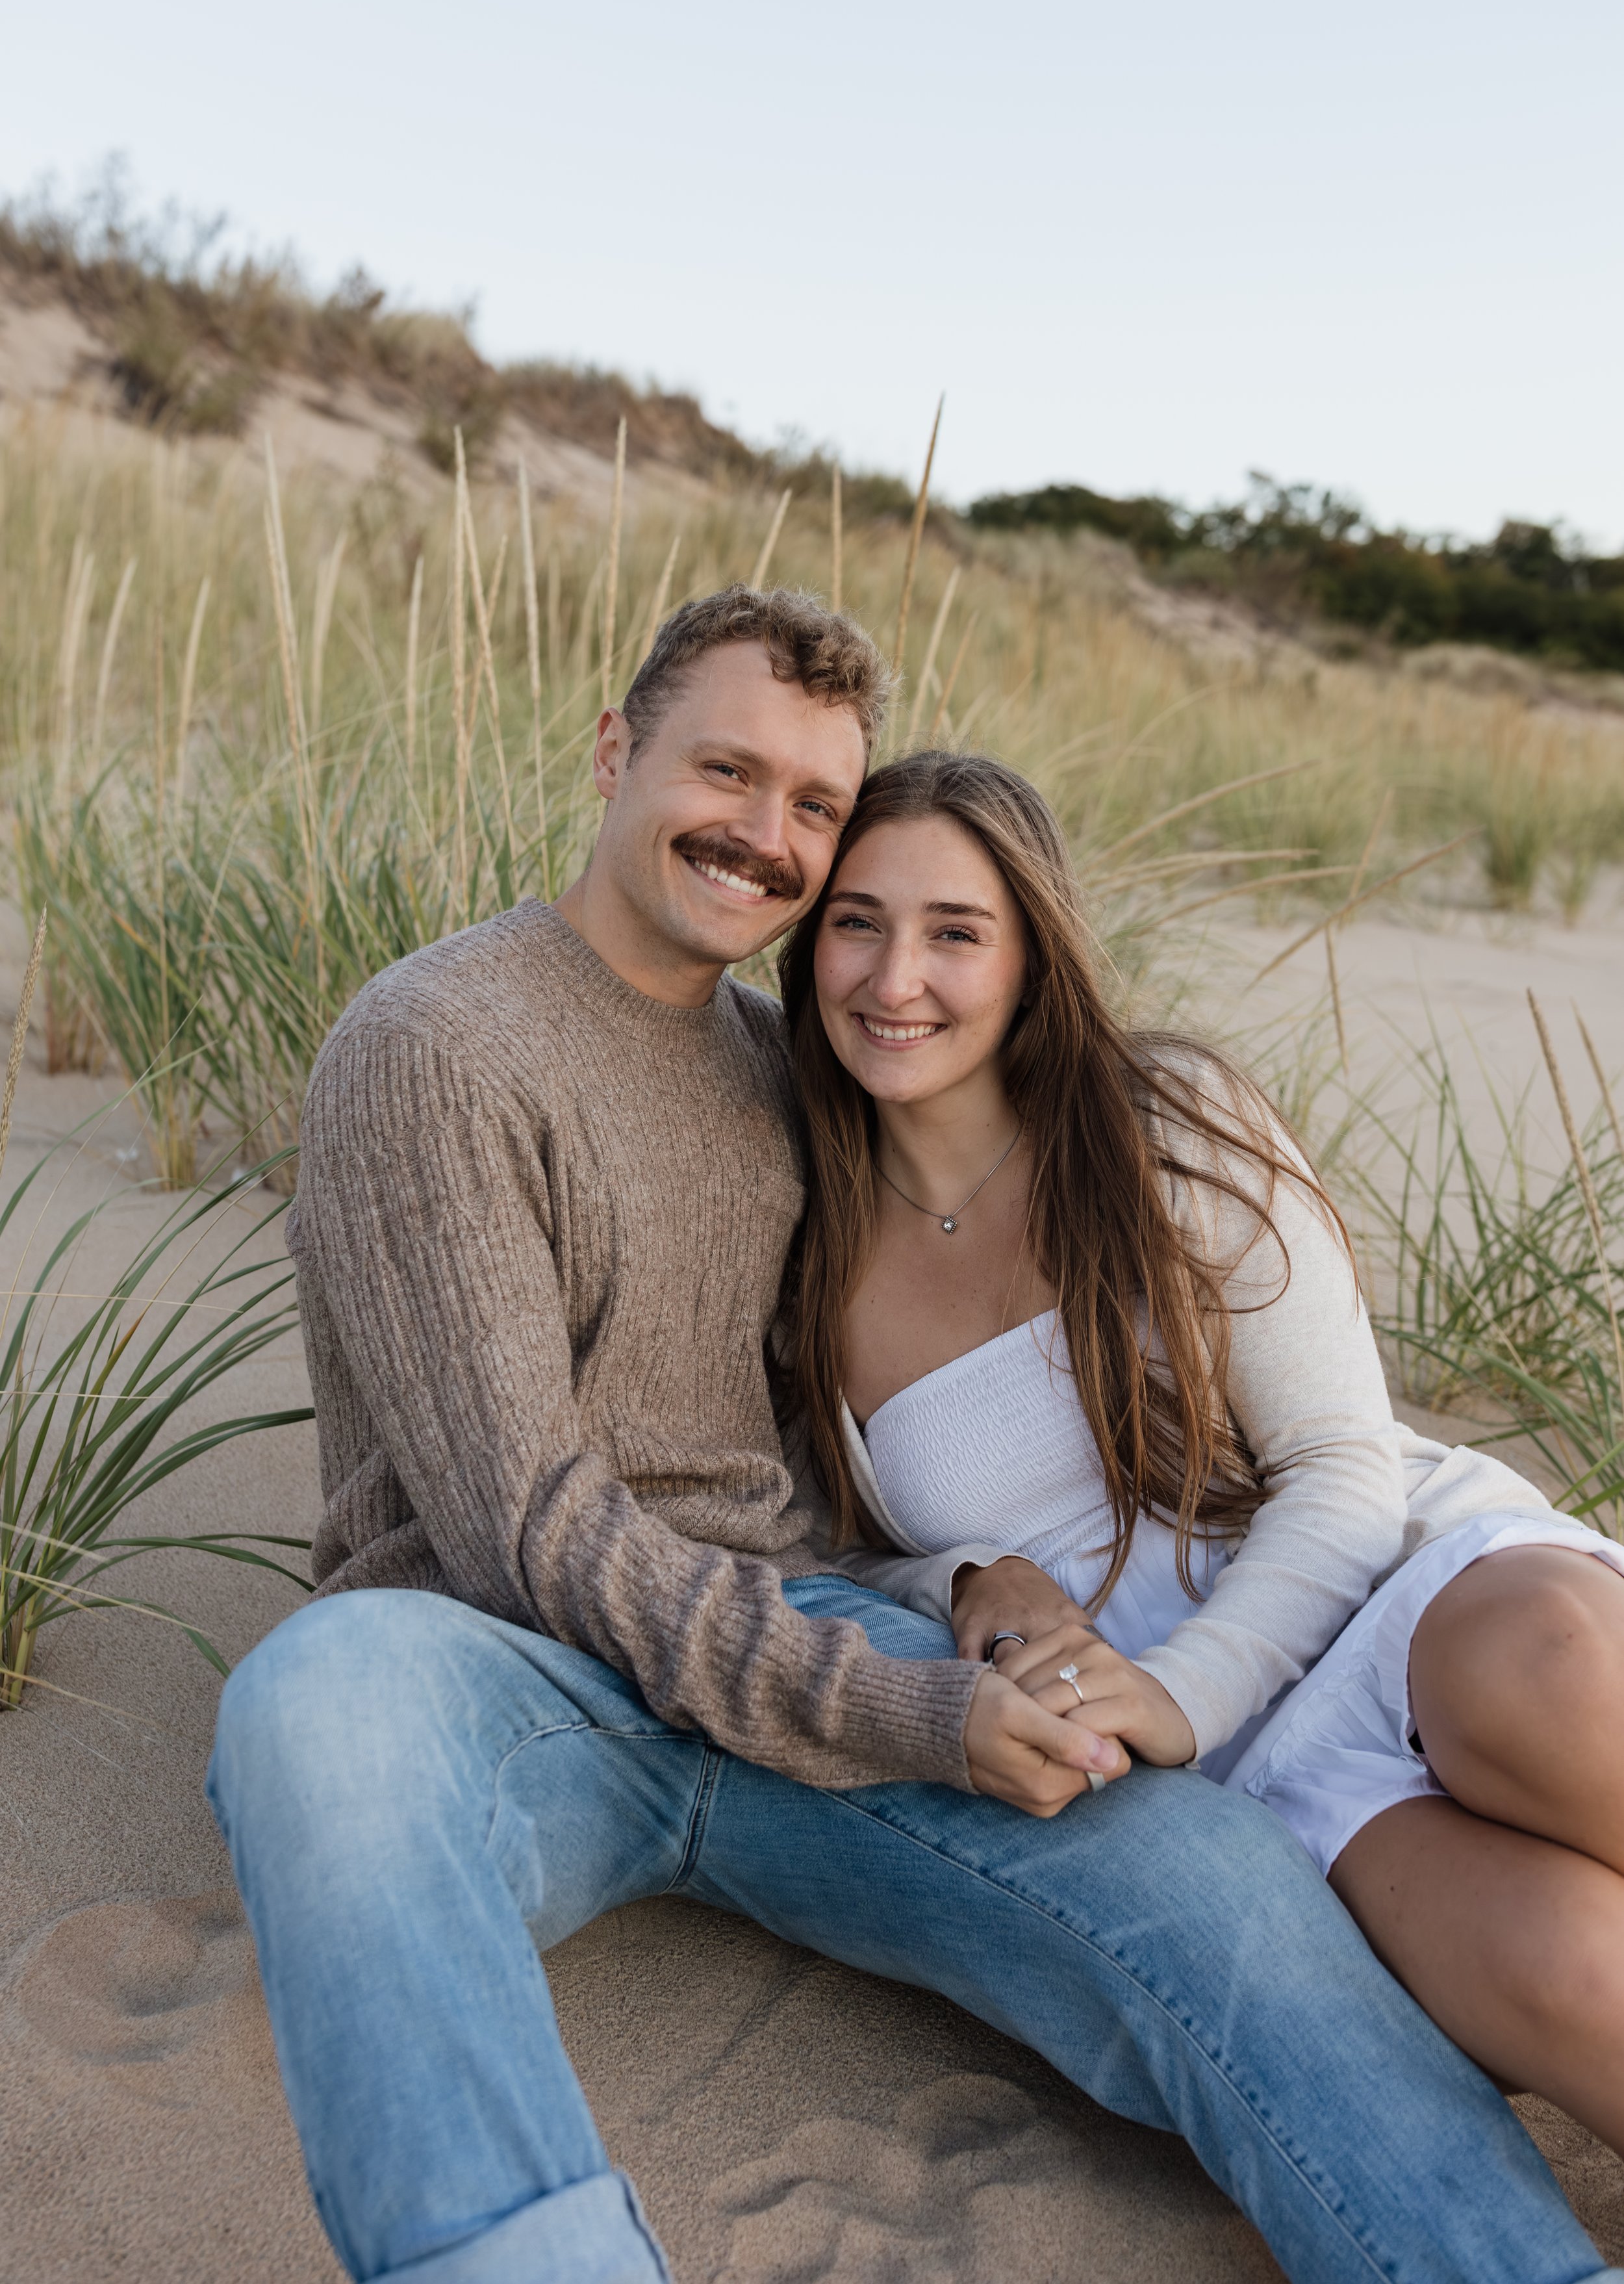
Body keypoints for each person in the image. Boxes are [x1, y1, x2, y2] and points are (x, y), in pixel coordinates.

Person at [207, 586, 1619, 2284]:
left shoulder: (796, 1077)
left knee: (1228, 1898)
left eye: (811, 804)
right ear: (611, 750)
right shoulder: (440, 1040)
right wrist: (919, 1685)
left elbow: (842, 1488)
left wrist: (956, 1611)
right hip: (527, 1674)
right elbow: (538, 1534)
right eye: (725, 770)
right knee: (319, 1697)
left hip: (831, 1653)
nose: (765, 836)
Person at [780, 744, 1624, 2157]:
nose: (892, 977)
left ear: (1032, 957)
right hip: (1255, 1772)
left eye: (953, 931)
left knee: (1540, 1670)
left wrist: (1177, 1688)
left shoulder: (1160, 1118)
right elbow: (829, 1543)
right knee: (1570, 1977)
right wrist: (967, 1575)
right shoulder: (798, 1241)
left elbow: (1342, 1462)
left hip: (1391, 1592)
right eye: (856, 921)